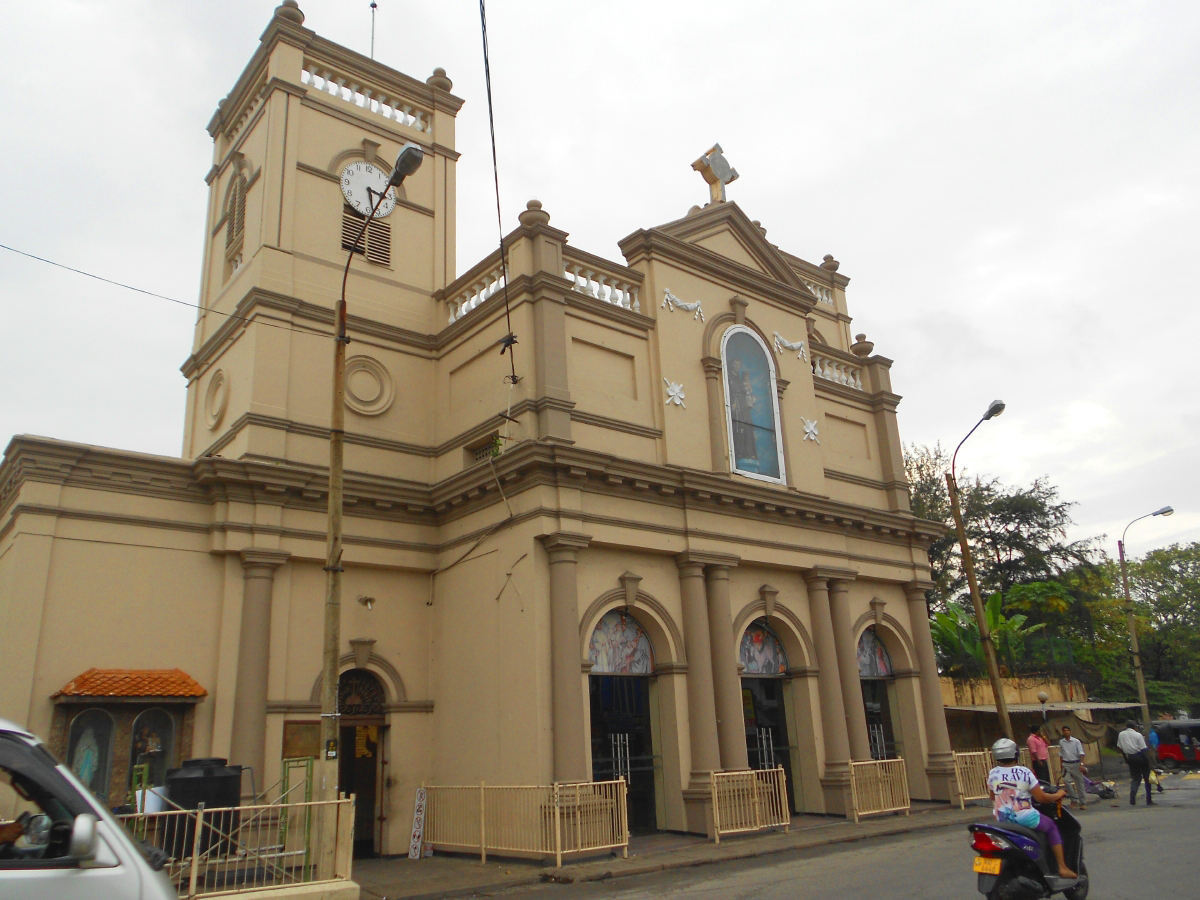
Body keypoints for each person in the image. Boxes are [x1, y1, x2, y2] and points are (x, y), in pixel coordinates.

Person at [987, 737, 1077, 879]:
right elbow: (1042, 798)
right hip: (1024, 817)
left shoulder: (993, 773)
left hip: (1001, 818)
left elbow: (993, 796)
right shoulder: (1024, 772)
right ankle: (1062, 867)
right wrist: (1059, 794)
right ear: (1016, 754)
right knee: (1052, 827)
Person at [1117, 720, 1154, 806]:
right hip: (1140, 757)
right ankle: (1149, 800)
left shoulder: (1121, 734)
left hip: (1131, 758)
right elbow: (1144, 750)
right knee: (1147, 778)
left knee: (1136, 778)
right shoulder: (1138, 735)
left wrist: (1126, 760)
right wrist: (1150, 762)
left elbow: (1120, 749)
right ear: (1135, 727)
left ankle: (1132, 797)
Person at [1058, 726, 1087, 810]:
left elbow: (1081, 753)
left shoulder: (1076, 741)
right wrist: (1061, 764)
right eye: (1064, 731)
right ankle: (1073, 799)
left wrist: (1081, 764)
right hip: (1066, 764)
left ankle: (1083, 802)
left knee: (1079, 784)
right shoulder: (1061, 742)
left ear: (1070, 731)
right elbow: (1061, 753)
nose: (1066, 732)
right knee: (1066, 781)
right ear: (1062, 732)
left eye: (1067, 730)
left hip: (1076, 763)